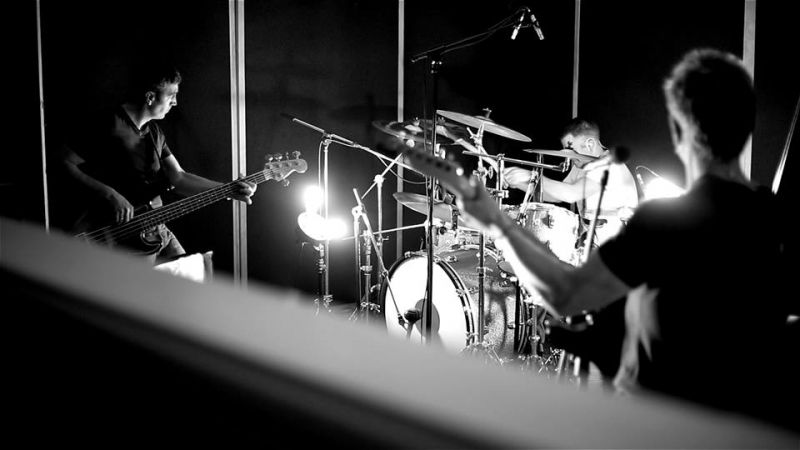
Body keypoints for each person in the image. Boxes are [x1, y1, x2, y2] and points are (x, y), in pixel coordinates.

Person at [454, 48, 794, 428]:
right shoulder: (773, 216)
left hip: (658, 421)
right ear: (747, 129)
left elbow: (567, 294)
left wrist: (497, 224)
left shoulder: (660, 220)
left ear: (679, 133)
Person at [60, 63, 256, 264]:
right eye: (172, 96)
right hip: (122, 239)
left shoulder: (154, 132)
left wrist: (228, 190)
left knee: (192, 275)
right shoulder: (107, 123)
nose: (175, 103)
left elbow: (179, 178)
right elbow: (65, 163)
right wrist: (110, 194)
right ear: (150, 97)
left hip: (156, 228)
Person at [503, 118, 639, 249]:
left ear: (590, 144)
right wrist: (520, 183)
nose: (568, 156)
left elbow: (571, 194)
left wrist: (531, 176)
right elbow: (555, 196)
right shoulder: (583, 165)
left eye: (571, 150)